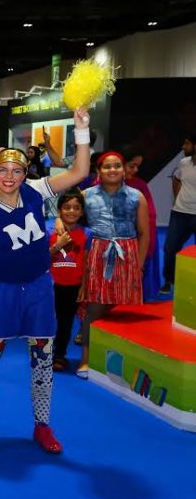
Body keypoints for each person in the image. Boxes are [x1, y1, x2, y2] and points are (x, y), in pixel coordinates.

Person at [0, 108, 92, 454]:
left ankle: (42, 425)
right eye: (4, 170)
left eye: (17, 171)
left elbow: (80, 171)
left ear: (25, 173)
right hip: (2, 290)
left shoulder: (36, 190)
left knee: (43, 357)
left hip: (38, 286)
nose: (10, 176)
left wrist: (81, 129)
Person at [77, 151, 149, 379]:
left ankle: (115, 359)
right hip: (98, 253)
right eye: (107, 166)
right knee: (94, 307)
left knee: (120, 308)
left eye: (117, 165)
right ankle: (86, 359)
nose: (113, 170)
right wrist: (59, 221)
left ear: (123, 169)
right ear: (99, 171)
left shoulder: (137, 196)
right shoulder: (86, 195)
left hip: (128, 253)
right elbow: (67, 214)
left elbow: (144, 233)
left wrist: (139, 265)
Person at [49, 190, 88, 372]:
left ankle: (59, 354)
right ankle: (42, 351)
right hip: (51, 286)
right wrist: (58, 245)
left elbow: (87, 262)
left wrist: (83, 286)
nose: (71, 211)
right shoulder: (49, 231)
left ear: (82, 211)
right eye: (67, 207)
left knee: (66, 321)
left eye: (76, 208)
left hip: (73, 287)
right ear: (59, 210)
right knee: (48, 320)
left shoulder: (87, 233)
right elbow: (39, 258)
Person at [123, 146, 161, 300]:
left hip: (134, 241)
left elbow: (149, 216)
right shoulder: (101, 185)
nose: (136, 170)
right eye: (132, 166)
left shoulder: (139, 186)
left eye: (137, 166)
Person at [160, 135, 196, 294]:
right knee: (170, 249)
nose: (183, 146)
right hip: (180, 213)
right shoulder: (183, 163)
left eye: (187, 143)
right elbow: (176, 179)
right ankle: (169, 280)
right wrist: (177, 199)